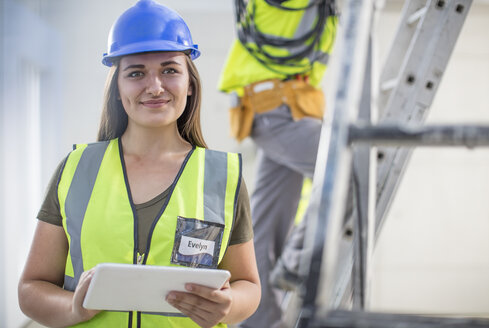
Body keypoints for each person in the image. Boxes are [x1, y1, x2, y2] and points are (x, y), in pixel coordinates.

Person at [17, 1, 261, 327]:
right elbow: (31, 288)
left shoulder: (223, 176)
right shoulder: (76, 170)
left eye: (169, 69)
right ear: (118, 88)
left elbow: (250, 286)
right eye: (136, 73)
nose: (155, 86)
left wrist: (228, 305)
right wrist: (73, 308)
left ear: (190, 83)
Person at [217, 0, 338, 327]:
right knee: (342, 171)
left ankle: (262, 322)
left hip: (287, 106)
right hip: (274, 106)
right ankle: (298, 261)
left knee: (267, 227)